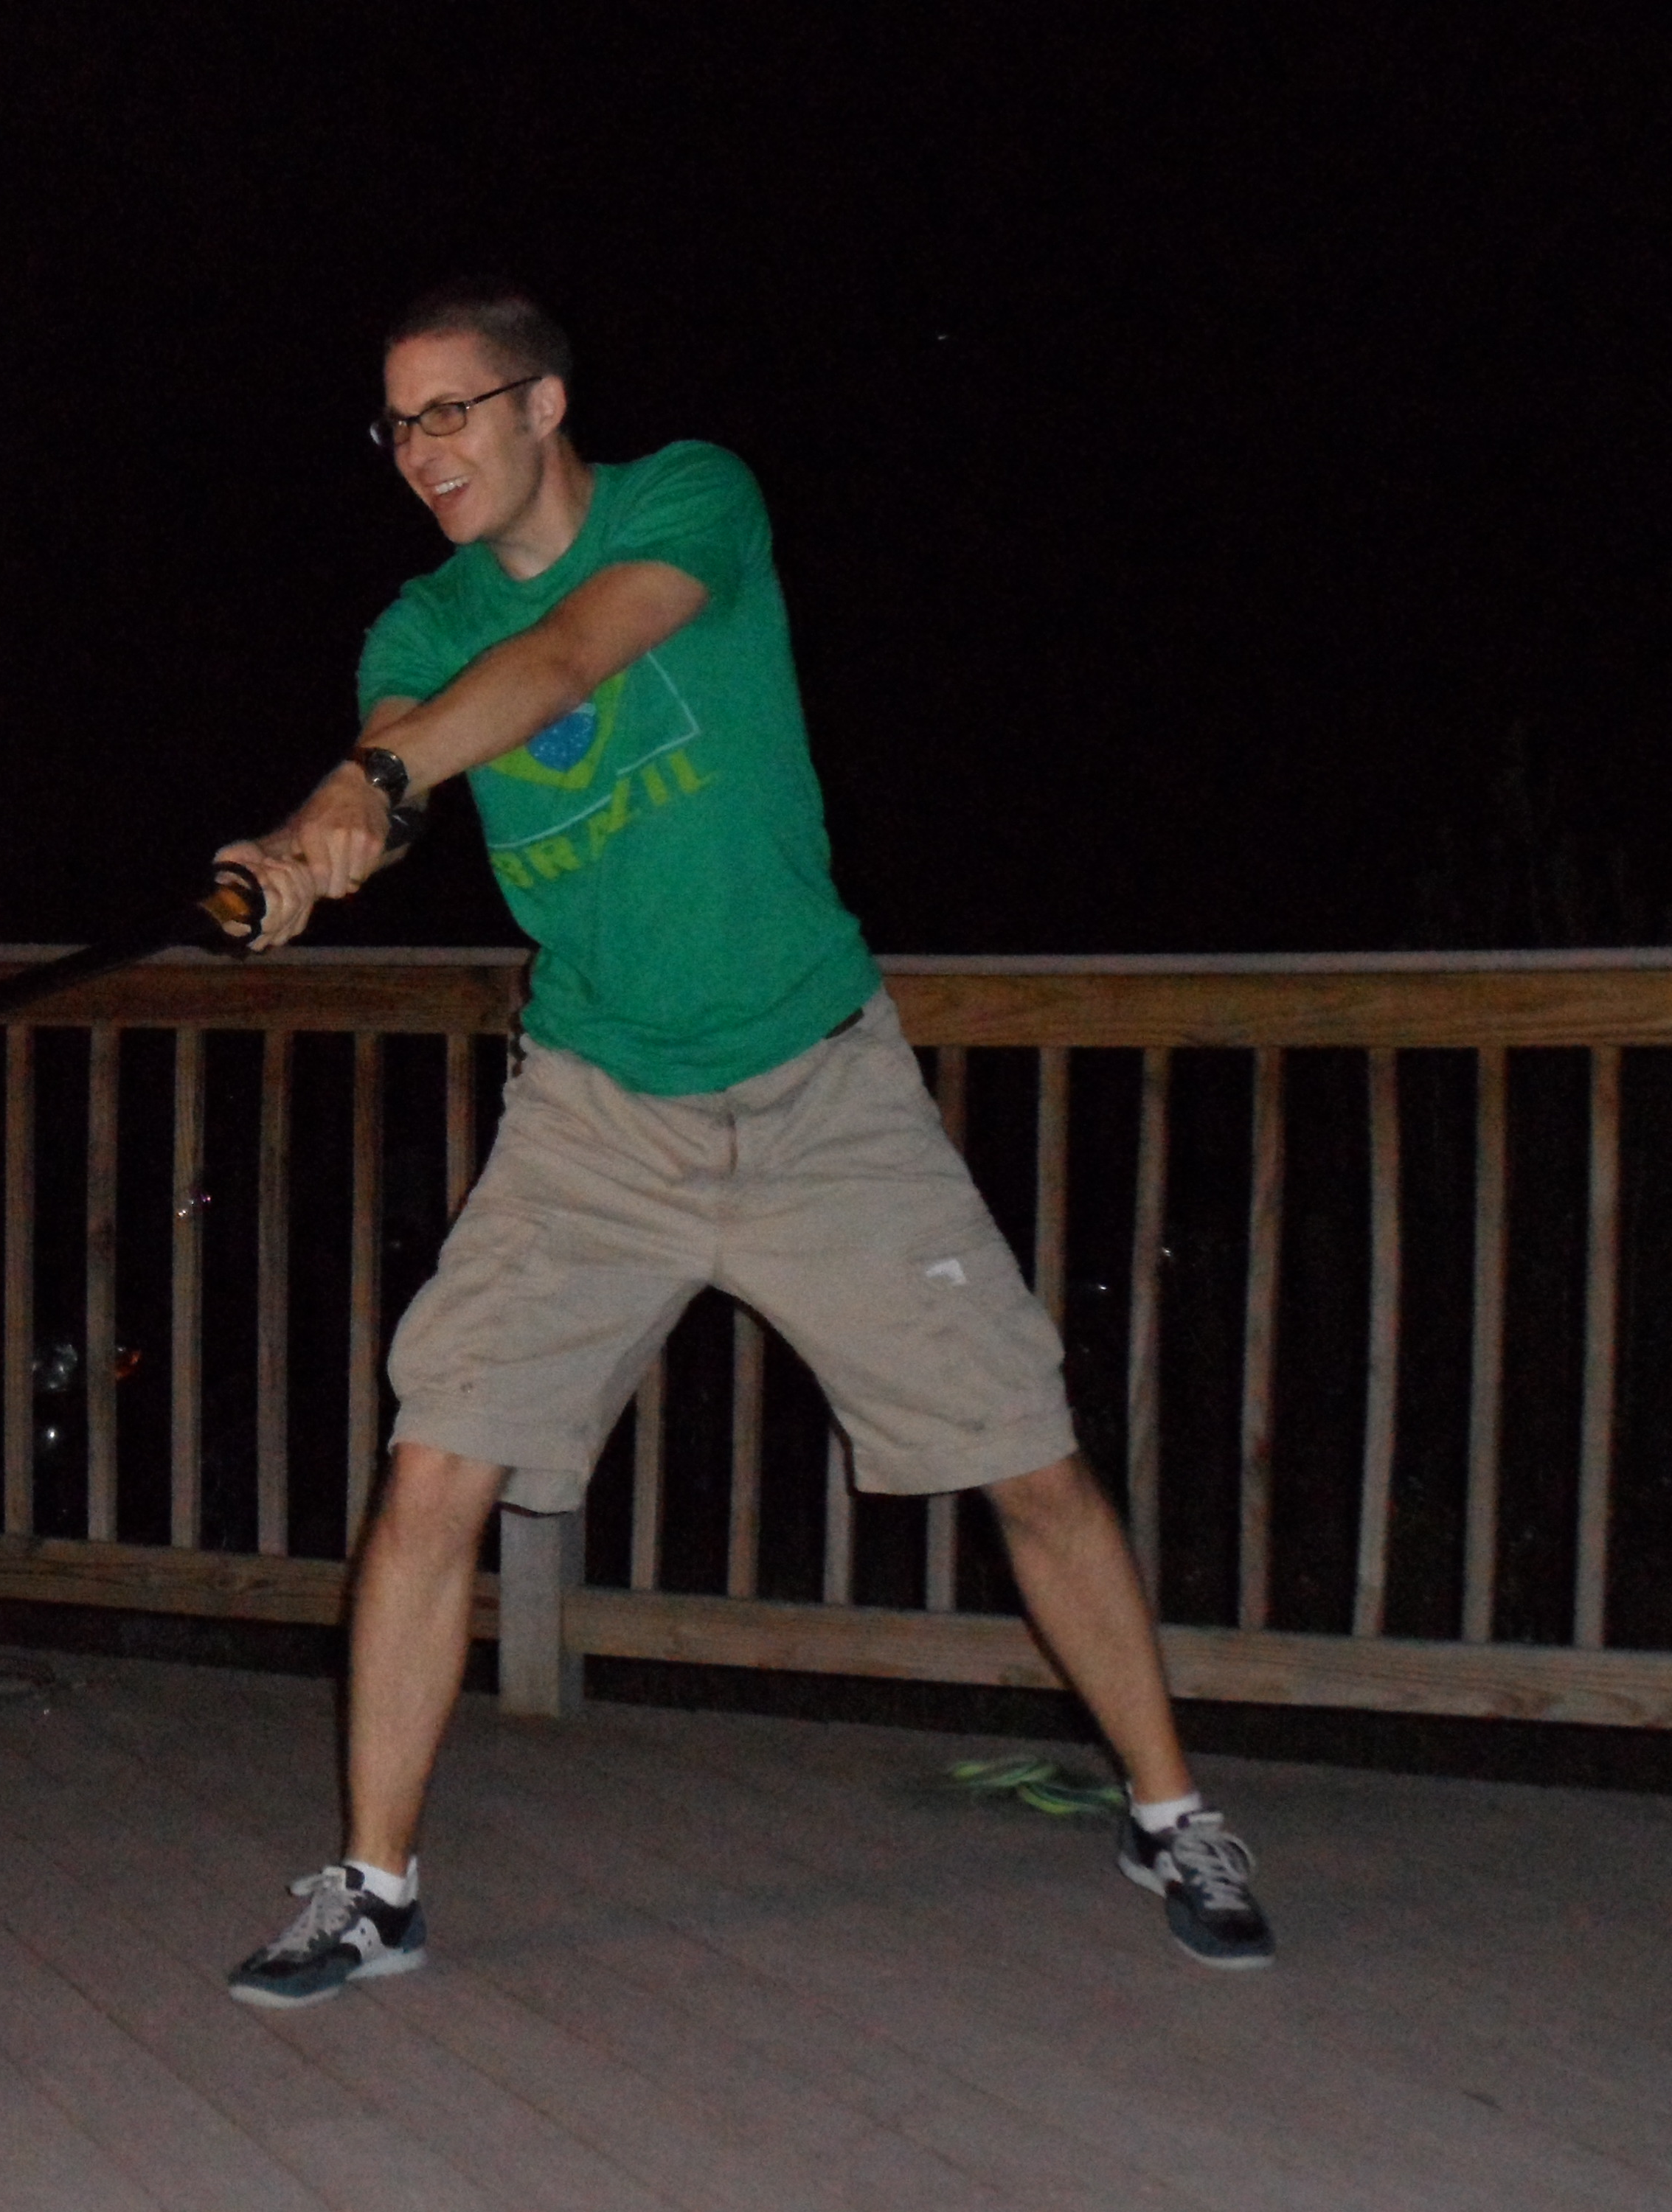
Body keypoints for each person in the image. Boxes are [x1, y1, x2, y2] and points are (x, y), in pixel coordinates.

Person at [218, 282, 1272, 2003]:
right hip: (591, 1117)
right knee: (431, 1473)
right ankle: (373, 1886)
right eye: (395, 424)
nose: (419, 450)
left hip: (818, 1093)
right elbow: (396, 774)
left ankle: (1171, 1815)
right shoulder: (415, 623)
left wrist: (372, 787)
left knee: (1029, 1458)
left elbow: (565, 660)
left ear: (542, 404)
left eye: (451, 411)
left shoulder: (690, 496)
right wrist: (305, 851)